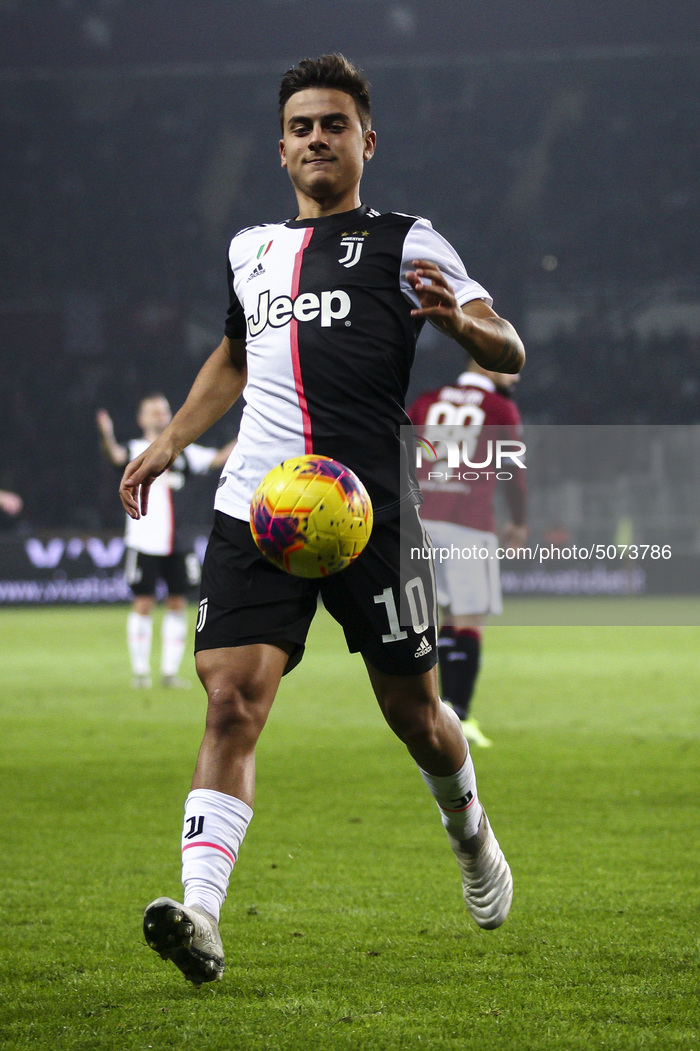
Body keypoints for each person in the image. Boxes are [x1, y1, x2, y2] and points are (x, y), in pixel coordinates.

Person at [119, 55, 525, 986]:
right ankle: (202, 913)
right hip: (259, 508)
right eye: (301, 127)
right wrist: (171, 440)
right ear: (280, 148)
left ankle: (471, 834)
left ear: (366, 142)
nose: (316, 139)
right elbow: (234, 356)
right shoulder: (251, 249)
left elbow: (508, 343)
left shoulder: (408, 240)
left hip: (368, 511)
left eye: (333, 125)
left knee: (416, 714)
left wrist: (462, 326)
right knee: (232, 698)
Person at [408, 362, 527, 748]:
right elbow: (514, 472)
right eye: (511, 366)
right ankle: (459, 715)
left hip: (421, 521)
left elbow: (398, 455)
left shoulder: (426, 401)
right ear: (486, 361)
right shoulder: (499, 408)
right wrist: (519, 522)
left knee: (445, 615)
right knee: (470, 619)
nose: (516, 377)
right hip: (468, 522)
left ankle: (440, 711)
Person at [97, 394, 234, 688]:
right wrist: (107, 435)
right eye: (154, 411)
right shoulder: (137, 449)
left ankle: (170, 673)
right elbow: (116, 457)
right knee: (143, 602)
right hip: (144, 541)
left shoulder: (185, 452)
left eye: (164, 410)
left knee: (177, 602)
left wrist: (248, 432)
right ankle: (141, 672)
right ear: (141, 419)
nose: (160, 415)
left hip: (179, 543)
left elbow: (218, 458)